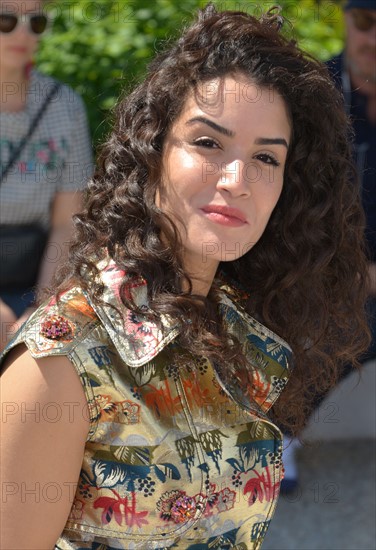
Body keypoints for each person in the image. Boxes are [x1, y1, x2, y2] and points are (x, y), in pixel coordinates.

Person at [0, 4, 371, 549]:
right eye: (207, 143)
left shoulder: (247, 340)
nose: (238, 179)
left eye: (267, 158)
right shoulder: (62, 362)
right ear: (151, 154)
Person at [281, 0, 376, 493]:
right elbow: (289, 204)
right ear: (345, 17)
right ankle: (281, 435)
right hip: (326, 267)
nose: (374, 40)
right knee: (334, 325)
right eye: (366, 22)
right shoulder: (312, 94)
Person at [0, 0, 93, 351]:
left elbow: (67, 222)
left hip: (38, 271)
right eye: (6, 20)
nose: (23, 32)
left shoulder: (63, 105)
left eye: (35, 22)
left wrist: (41, 306)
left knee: (51, 343)